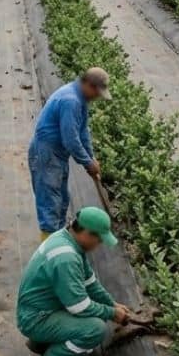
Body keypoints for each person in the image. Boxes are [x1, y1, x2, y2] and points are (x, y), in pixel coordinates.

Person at [17, 206, 132, 356]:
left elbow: (91, 285)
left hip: (42, 310)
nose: (99, 245)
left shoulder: (67, 239)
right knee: (95, 328)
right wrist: (111, 313)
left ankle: (41, 342)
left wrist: (112, 304)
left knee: (96, 311)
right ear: (86, 233)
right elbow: (79, 306)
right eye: (99, 240)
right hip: (36, 319)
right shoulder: (66, 258)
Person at [28, 68, 111, 237]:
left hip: (58, 155)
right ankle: (50, 251)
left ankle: (59, 239)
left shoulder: (80, 99)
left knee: (62, 200)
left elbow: (83, 132)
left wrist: (92, 158)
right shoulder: (71, 100)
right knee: (50, 205)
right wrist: (87, 163)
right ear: (88, 84)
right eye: (97, 92)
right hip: (46, 155)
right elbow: (71, 139)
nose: (97, 97)